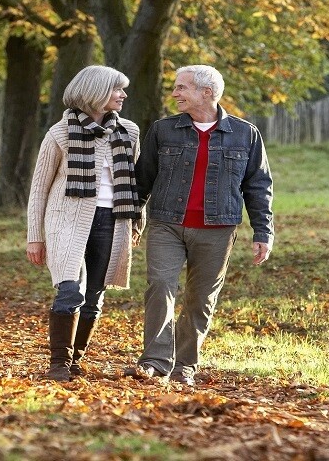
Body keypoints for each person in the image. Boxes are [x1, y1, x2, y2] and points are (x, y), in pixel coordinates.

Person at [125, 64, 274, 386]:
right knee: (160, 286)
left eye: (182, 87)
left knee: (201, 298)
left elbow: (258, 186)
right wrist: (132, 219)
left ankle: (184, 366)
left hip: (218, 230)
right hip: (167, 223)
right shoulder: (163, 130)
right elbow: (142, 179)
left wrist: (263, 231)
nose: (175, 93)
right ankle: (155, 362)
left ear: (206, 92)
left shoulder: (245, 134)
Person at [26, 65, 145, 382]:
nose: (123, 95)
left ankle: (75, 361)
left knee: (94, 295)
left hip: (113, 220)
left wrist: (135, 225)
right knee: (70, 290)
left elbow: (134, 184)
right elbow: (39, 189)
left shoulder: (129, 132)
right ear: (95, 91)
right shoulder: (60, 133)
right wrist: (35, 236)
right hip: (66, 220)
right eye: (117, 89)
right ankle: (58, 364)